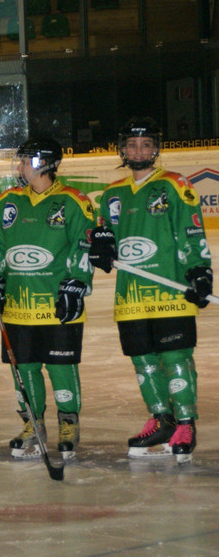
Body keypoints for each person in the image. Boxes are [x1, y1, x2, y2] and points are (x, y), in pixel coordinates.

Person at [90, 117, 213, 464]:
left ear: (156, 149)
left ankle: (185, 423)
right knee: (144, 361)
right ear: (122, 149)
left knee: (175, 359)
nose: (139, 151)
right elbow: (103, 235)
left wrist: (200, 271)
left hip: (170, 290)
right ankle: (161, 420)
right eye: (131, 144)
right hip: (131, 295)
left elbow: (191, 231)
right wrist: (101, 246)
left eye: (146, 145)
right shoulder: (112, 194)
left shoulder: (174, 184)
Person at [0, 138, 95, 460]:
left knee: (61, 368)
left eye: (25, 160)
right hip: (18, 306)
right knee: (25, 369)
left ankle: (68, 424)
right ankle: (33, 423)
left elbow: (83, 246)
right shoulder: (8, 202)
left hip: (56, 305)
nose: (19, 167)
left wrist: (77, 283)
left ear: (44, 163)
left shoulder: (73, 201)